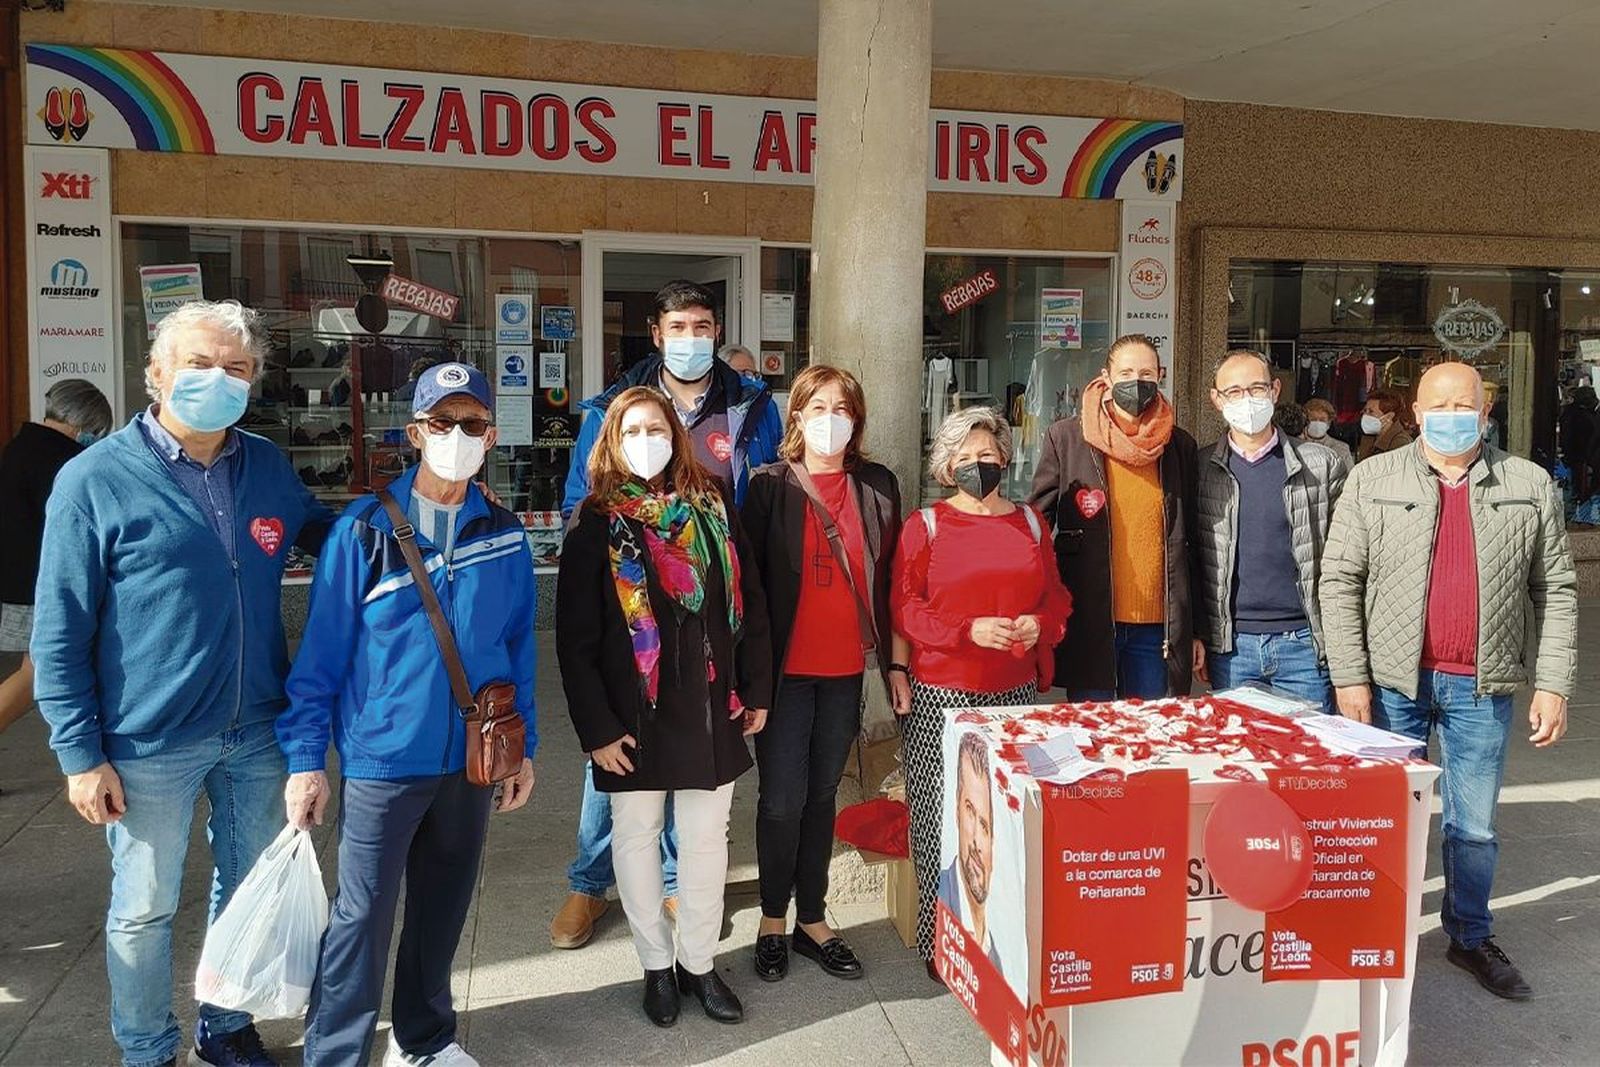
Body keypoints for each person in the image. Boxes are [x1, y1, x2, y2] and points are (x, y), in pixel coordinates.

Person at [31, 300, 336, 1067]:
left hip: (258, 727)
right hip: (146, 739)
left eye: (235, 369)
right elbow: (60, 628)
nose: (216, 379)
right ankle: (145, 1048)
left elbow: (327, 533)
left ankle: (224, 1024)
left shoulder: (264, 463)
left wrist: (422, 515)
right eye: (198, 364)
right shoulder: (92, 479)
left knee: (245, 890)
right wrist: (78, 752)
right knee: (143, 907)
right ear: (156, 374)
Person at [278, 363, 537, 1067]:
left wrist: (527, 749)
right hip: (382, 762)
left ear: (493, 434)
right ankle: (336, 1055)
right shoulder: (362, 531)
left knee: (442, 909)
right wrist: (306, 761)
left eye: (473, 423)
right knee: (360, 921)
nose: (458, 435)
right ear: (416, 432)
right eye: (443, 423)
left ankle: (423, 1041)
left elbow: (517, 653)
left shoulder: (507, 534)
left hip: (473, 761)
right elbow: (320, 661)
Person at [1320, 361, 1577, 1002]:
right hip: (1390, 686)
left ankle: (1469, 935)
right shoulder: (1371, 477)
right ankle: (1377, 931)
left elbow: (1558, 590)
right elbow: (1340, 580)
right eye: (1439, 404)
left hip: (1480, 688)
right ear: (1415, 411)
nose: (1452, 415)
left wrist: (1553, 682)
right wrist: (1350, 679)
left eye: (1466, 405)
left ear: (1486, 414)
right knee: (1383, 818)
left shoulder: (1529, 482)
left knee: (1474, 827)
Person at [552, 281, 783, 951]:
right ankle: (588, 883)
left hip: (711, 607)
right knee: (622, 761)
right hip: (634, 618)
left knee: (699, 763)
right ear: (656, 333)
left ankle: (679, 886)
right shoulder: (610, 409)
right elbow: (580, 503)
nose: (691, 336)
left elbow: (760, 495)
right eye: (678, 324)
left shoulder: (750, 405)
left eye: (703, 323)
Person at [740, 365, 906, 983]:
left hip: (843, 673)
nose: (831, 419)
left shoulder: (879, 485)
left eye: (843, 409)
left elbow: (893, 583)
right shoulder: (767, 487)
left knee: (820, 797)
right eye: (818, 407)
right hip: (784, 676)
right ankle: (771, 919)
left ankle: (813, 918)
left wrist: (895, 661)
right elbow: (748, 593)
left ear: (856, 420)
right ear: (798, 418)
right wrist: (747, 682)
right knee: (781, 800)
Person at [894, 406, 1070, 981]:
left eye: (988, 455)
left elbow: (1057, 598)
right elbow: (905, 608)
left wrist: (1041, 626)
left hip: (1014, 696)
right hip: (942, 696)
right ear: (947, 466)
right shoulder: (926, 526)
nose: (979, 465)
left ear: (1006, 457)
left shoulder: (1030, 524)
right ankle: (937, 939)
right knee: (937, 818)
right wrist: (966, 630)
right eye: (966, 458)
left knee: (1003, 819)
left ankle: (996, 932)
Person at [1028, 334, 1199, 700]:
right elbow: (1036, 526)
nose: (1135, 382)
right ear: (1106, 377)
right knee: (1093, 739)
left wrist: (1196, 627)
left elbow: (1194, 539)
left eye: (1146, 372)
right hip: (1091, 617)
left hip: (1158, 630)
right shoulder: (1068, 438)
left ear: (1161, 375)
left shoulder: (1178, 446)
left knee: (1150, 738)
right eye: (1125, 373)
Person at [1195, 352, 1345, 709]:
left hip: (1304, 647)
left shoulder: (1320, 465)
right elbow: (1190, 557)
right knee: (1238, 759)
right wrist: (1200, 633)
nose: (1246, 400)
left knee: (1306, 761)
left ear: (1275, 391)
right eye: (1233, 391)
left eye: (1256, 388)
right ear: (1216, 399)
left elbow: (1346, 563)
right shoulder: (1201, 468)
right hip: (1233, 649)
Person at [0, 379, 112, 740]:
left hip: (18, 578)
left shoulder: (20, 448)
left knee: (40, 670)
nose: (95, 438)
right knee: (40, 672)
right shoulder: (62, 462)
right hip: (37, 584)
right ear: (83, 423)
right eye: (96, 430)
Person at [937, 731, 1002, 979]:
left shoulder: (1005, 936)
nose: (975, 839)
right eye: (969, 811)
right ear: (956, 809)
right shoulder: (945, 895)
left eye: (985, 825)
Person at [1558, 384, 1598, 501]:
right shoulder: (1582, 415)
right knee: (1577, 489)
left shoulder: (1569, 412)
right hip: (1580, 457)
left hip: (1577, 457)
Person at [1301, 397, 1355, 476]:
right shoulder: (1297, 444)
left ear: (1329, 423)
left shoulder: (1341, 448)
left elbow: (1350, 475)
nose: (1317, 422)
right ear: (1306, 421)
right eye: (1313, 419)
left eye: (1322, 420)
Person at [1356, 388, 1412, 461]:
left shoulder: (1401, 443)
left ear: (1388, 417)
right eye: (1365, 410)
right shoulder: (1369, 436)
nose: (1365, 415)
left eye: (1371, 411)